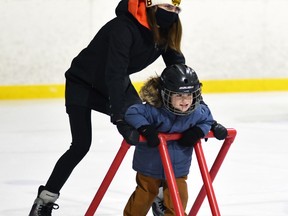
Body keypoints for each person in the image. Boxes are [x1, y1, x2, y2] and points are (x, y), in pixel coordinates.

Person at [28, 0, 227, 215]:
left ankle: (157, 194)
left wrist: (201, 111)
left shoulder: (164, 29)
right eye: (168, 7)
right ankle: (45, 200)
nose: (173, 13)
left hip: (114, 81)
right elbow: (115, 72)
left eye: (176, 9)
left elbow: (179, 72)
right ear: (152, 5)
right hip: (82, 83)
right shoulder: (123, 28)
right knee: (80, 145)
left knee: (154, 125)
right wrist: (120, 116)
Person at [123, 64, 215, 216]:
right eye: (179, 95)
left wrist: (198, 131)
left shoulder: (196, 112)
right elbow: (132, 113)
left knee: (178, 199)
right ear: (165, 94)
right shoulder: (154, 109)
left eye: (189, 95)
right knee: (143, 197)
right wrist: (145, 128)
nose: (185, 101)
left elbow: (208, 120)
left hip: (178, 168)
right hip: (149, 166)